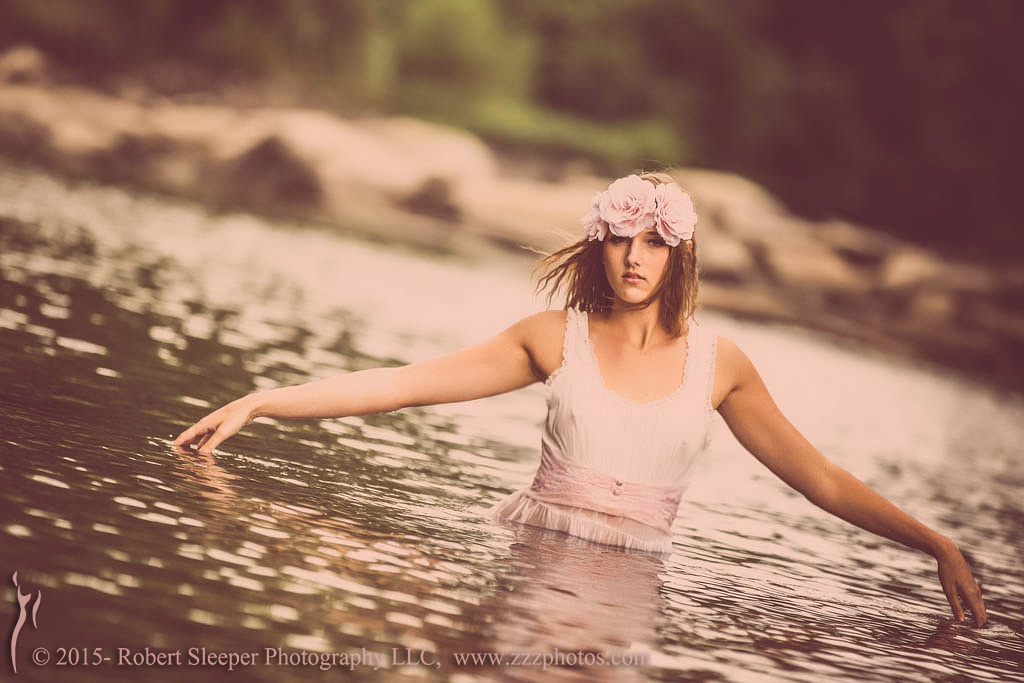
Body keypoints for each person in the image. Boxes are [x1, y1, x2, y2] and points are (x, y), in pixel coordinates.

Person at [174, 172, 987, 626]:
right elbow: (401, 385)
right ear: (598, 245)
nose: (635, 257)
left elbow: (824, 480)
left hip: (634, 591)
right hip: (533, 565)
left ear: (679, 254)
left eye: (655, 243)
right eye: (620, 239)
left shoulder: (720, 363)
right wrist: (266, 398)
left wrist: (934, 542)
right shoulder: (551, 337)